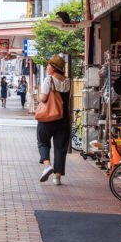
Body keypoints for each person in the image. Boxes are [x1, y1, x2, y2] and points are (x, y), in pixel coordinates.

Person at [38, 55, 72, 185]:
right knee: (60, 148)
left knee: (43, 141)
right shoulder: (68, 81)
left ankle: (47, 166)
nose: (47, 67)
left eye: (49, 65)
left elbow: (43, 98)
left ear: (53, 68)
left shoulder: (49, 80)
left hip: (48, 118)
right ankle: (57, 178)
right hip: (63, 119)